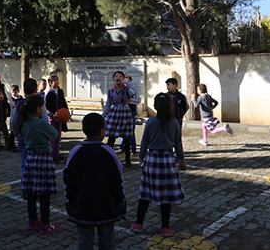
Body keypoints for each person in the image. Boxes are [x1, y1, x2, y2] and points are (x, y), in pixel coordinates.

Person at [63, 113, 126, 250]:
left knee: (84, 242)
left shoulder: (76, 152)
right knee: (107, 241)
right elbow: (117, 180)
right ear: (102, 131)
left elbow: (68, 179)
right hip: (106, 207)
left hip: (82, 207)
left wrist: (70, 199)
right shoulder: (108, 152)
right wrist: (120, 201)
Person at [131, 93, 186, 236]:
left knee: (145, 194)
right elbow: (178, 143)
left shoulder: (150, 122)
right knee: (166, 196)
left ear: (155, 106)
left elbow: (144, 141)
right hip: (167, 161)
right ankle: (165, 227)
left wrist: (141, 157)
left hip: (152, 160)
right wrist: (182, 159)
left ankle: (138, 223)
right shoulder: (174, 122)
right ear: (171, 106)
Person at [18, 94, 58, 235]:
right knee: (44, 193)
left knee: (32, 193)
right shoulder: (40, 123)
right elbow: (54, 134)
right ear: (38, 108)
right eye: (42, 106)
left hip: (30, 158)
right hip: (43, 159)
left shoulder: (25, 123)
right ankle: (45, 224)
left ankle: (32, 220)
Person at [10, 79, 49, 181]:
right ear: (36, 88)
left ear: (23, 89)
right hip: (37, 138)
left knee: (25, 163)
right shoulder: (38, 101)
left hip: (23, 137)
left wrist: (17, 134)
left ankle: (25, 186)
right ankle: (37, 184)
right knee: (38, 164)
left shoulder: (20, 103)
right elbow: (45, 119)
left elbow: (14, 122)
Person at [102, 71, 139, 167]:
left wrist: (128, 84)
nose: (118, 78)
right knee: (111, 137)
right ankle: (107, 158)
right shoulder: (111, 91)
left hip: (125, 114)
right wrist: (103, 115)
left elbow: (137, 97)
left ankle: (127, 160)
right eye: (116, 76)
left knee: (126, 138)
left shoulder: (128, 89)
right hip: (115, 113)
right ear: (113, 79)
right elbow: (108, 104)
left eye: (120, 76)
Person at [44, 75, 69, 163]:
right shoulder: (48, 93)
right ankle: (50, 155)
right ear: (50, 83)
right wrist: (51, 114)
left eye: (57, 80)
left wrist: (66, 111)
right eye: (54, 80)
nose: (57, 82)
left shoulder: (60, 91)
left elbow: (63, 102)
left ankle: (56, 154)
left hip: (60, 117)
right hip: (52, 117)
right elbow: (45, 107)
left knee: (58, 136)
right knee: (52, 137)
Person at [120, 75, 141, 155]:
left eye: (128, 82)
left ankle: (133, 148)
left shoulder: (133, 90)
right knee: (122, 130)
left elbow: (138, 100)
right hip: (122, 113)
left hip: (131, 112)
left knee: (131, 132)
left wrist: (130, 101)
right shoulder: (120, 90)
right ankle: (123, 147)